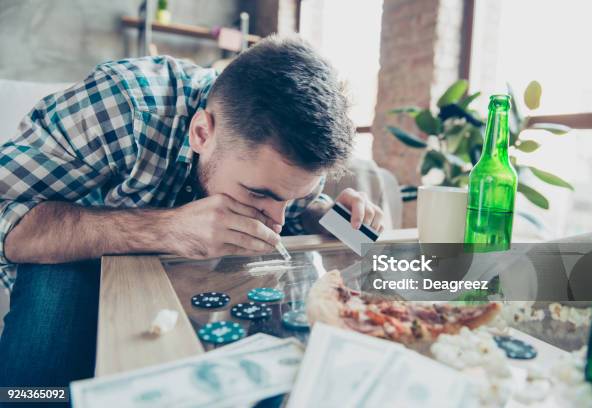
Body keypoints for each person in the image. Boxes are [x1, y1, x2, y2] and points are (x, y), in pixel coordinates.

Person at [0, 36, 384, 386]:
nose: (278, 218)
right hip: (77, 259)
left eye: (287, 197)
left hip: (198, 284)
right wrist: (164, 229)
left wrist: (327, 215)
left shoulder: (279, 153)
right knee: (37, 387)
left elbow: (295, 210)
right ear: (202, 132)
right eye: (257, 193)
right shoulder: (124, 105)